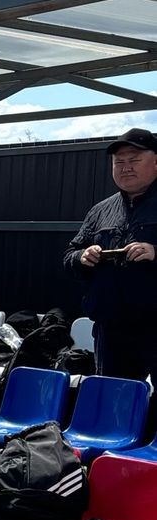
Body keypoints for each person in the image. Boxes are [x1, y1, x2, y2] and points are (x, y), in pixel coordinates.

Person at [63, 127, 157, 385]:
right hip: (112, 329)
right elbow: (69, 256)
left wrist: (154, 252)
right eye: (118, 162)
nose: (125, 168)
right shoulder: (101, 210)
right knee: (114, 397)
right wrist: (82, 256)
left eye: (134, 160)